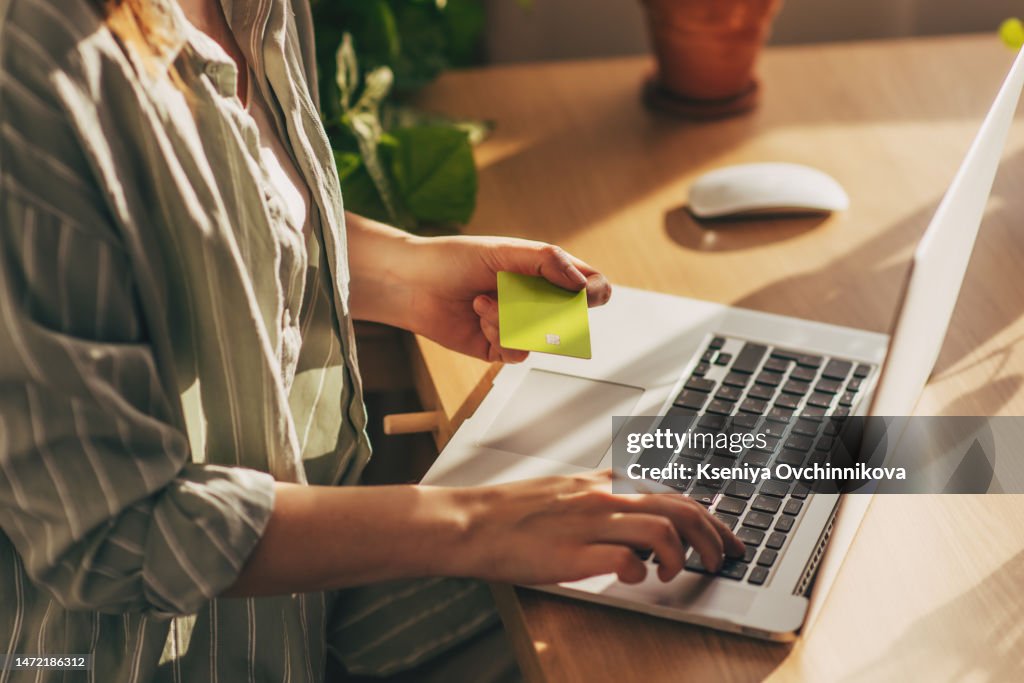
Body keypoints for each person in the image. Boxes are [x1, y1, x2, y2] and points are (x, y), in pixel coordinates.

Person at [0, 0, 744, 680]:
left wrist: (404, 276)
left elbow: (215, 222)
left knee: (795, 473)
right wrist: (476, 522)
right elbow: (110, 529)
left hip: (305, 616)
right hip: (158, 656)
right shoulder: (31, 67)